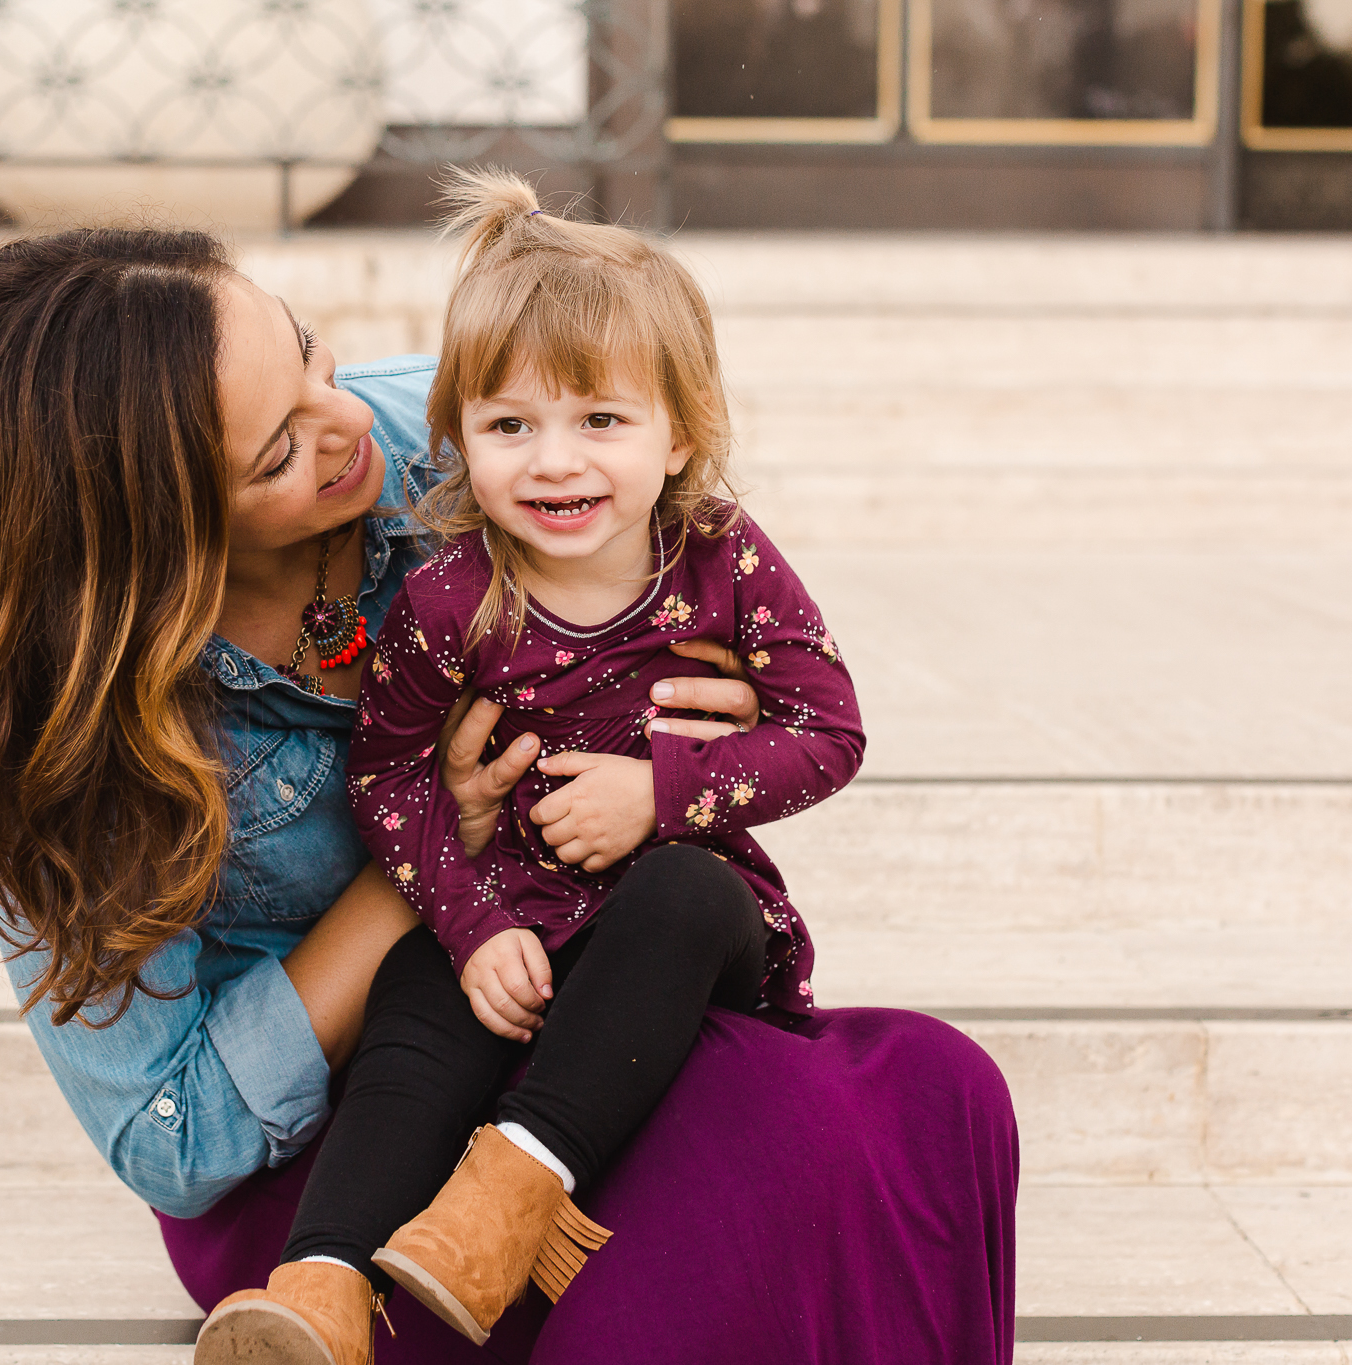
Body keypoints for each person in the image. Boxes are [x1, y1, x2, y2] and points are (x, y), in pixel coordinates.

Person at [0, 219, 1019, 1365]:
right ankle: (334, 1288)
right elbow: (173, 1140)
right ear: (145, 542)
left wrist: (688, 736)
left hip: (572, 1018)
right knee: (711, 1227)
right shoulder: (61, 739)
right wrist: (433, 865)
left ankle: (529, 1184)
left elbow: (686, 540)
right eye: (277, 451)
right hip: (363, 1123)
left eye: (311, 354)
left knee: (924, 1098)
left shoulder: (469, 438)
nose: (349, 418)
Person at [197, 171, 866, 1363]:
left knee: (683, 894)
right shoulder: (454, 592)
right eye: (510, 426)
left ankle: (514, 1189)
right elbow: (388, 780)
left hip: (677, 916)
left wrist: (660, 795)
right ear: (454, 435)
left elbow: (828, 730)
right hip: (512, 911)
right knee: (414, 1011)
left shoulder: (720, 561)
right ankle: (319, 1285)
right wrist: (467, 925)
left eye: (600, 421)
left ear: (681, 433)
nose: (554, 464)